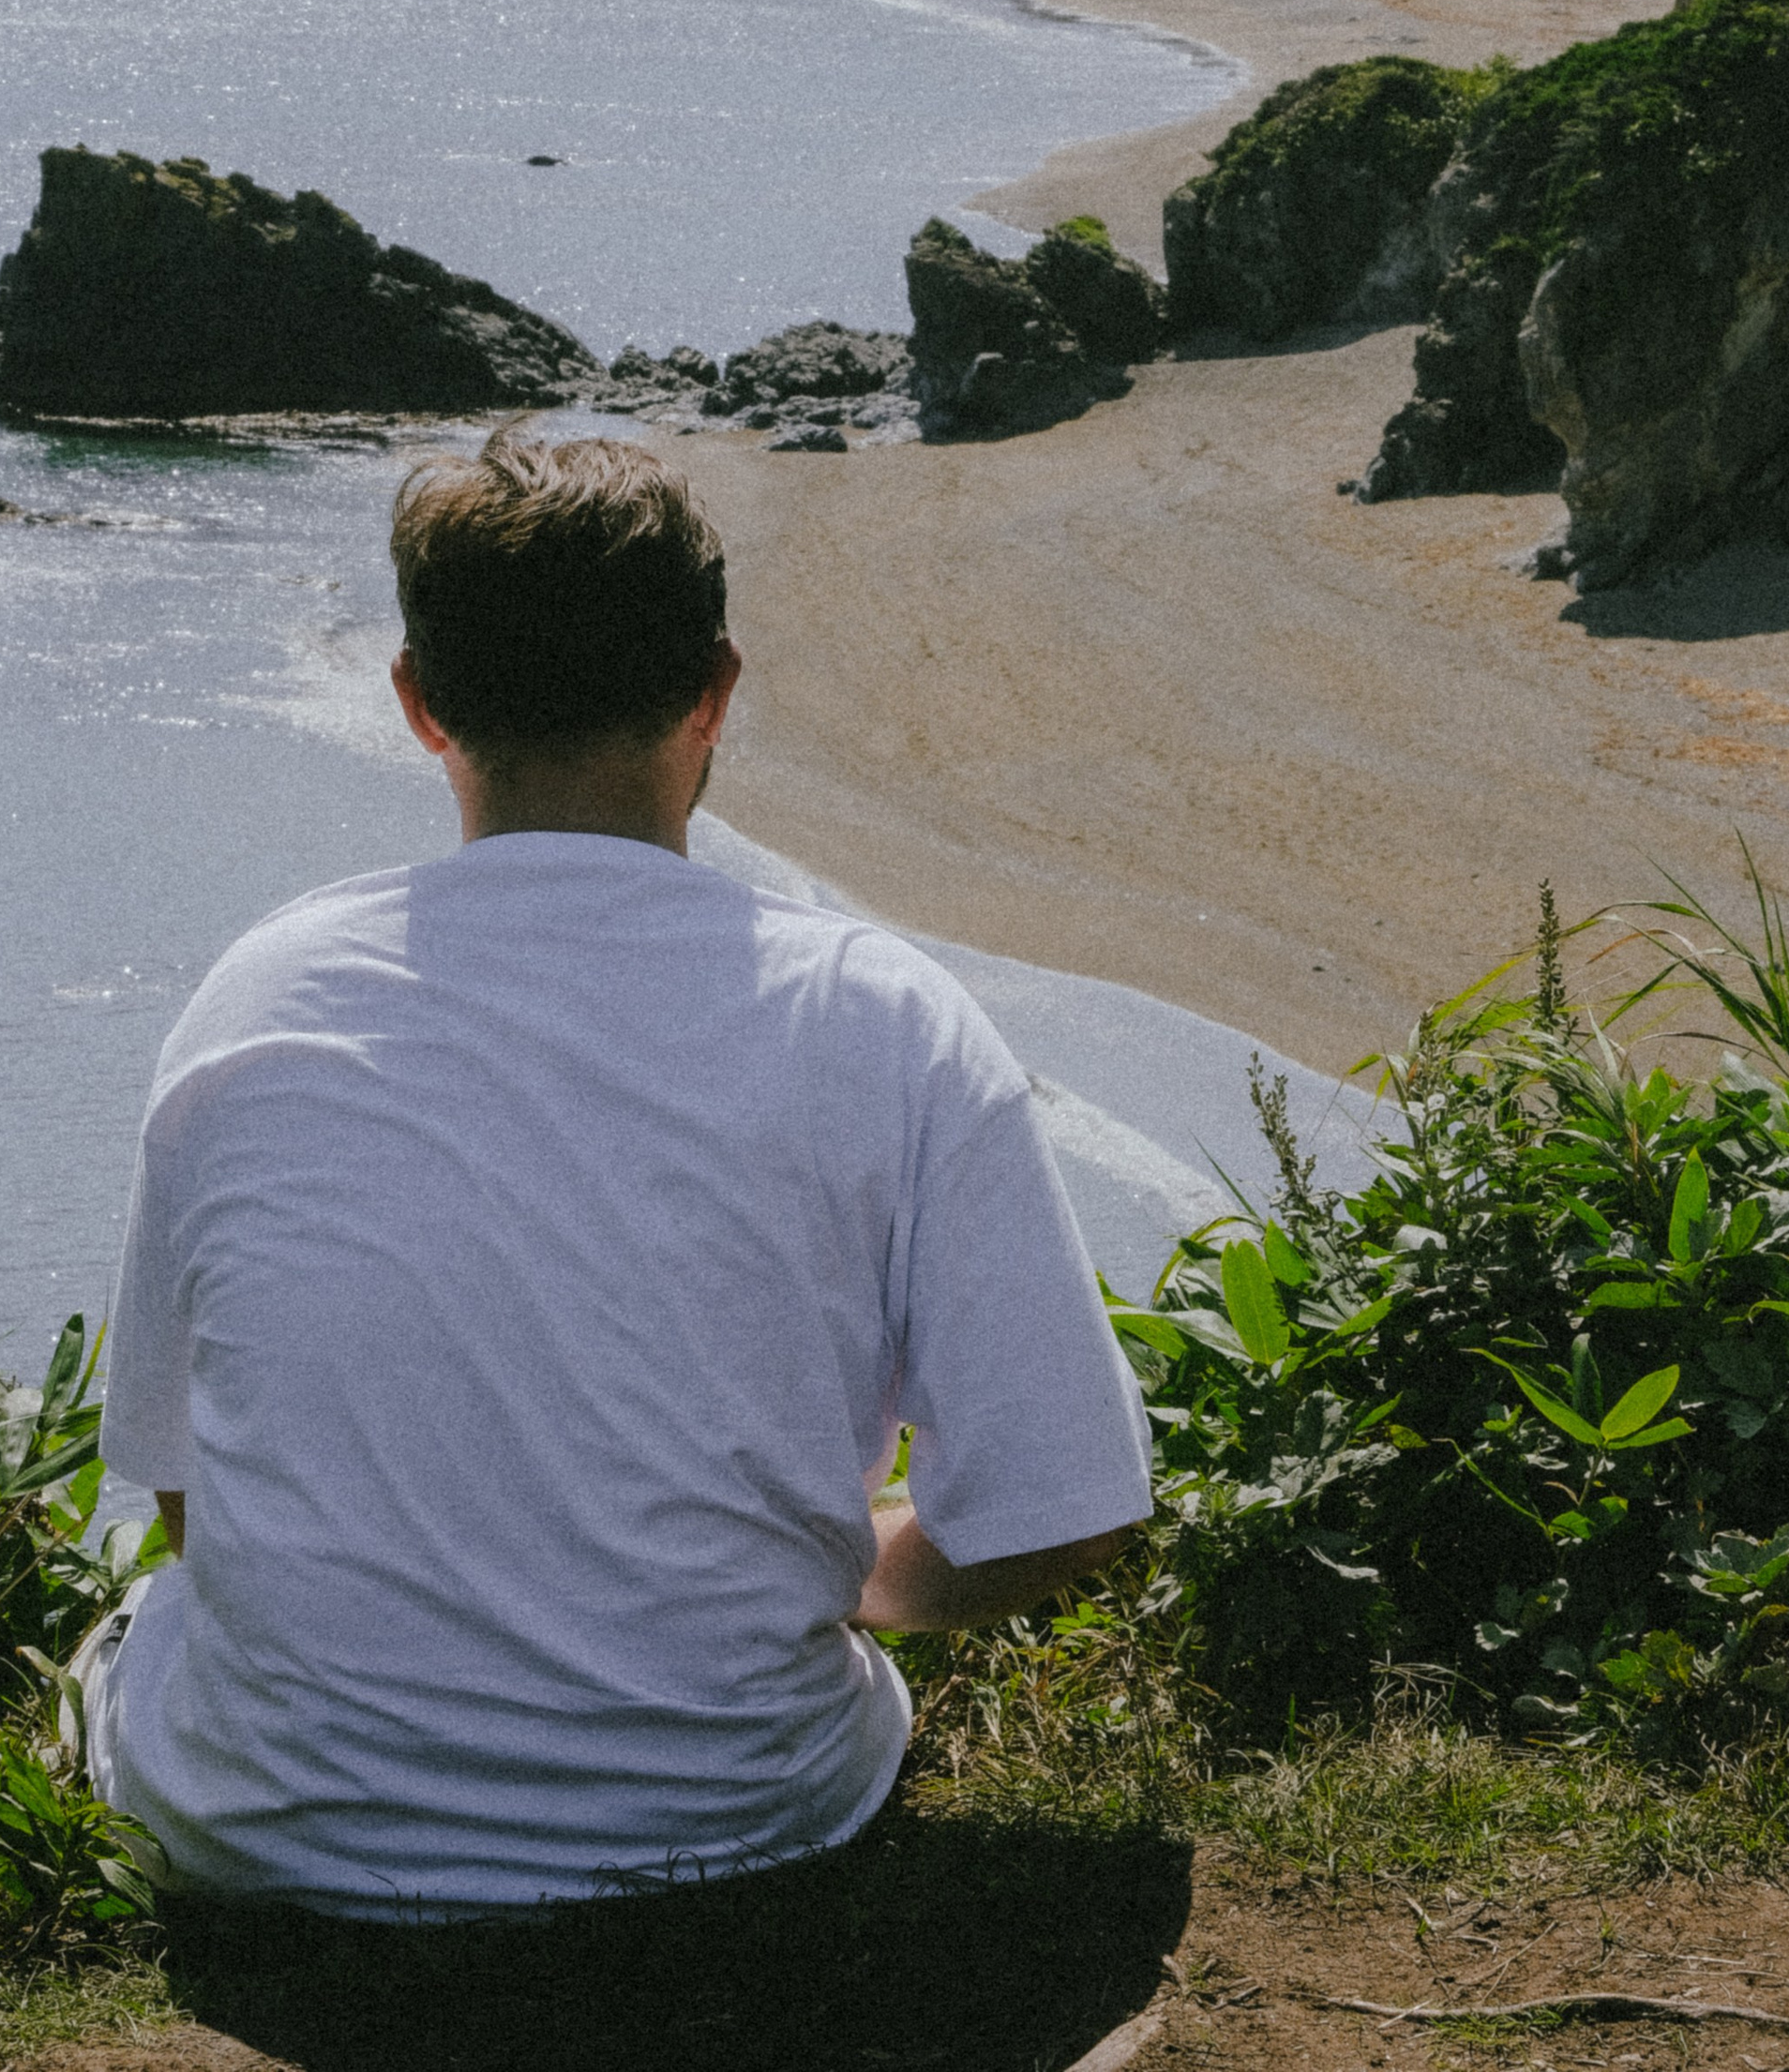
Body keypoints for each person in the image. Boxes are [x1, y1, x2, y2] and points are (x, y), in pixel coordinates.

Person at [84, 426, 1152, 1922]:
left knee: (134, 1635)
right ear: (715, 692)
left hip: (283, 1832)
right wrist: (858, 1577)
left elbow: (189, 1502)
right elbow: (1065, 1513)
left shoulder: (259, 997)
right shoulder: (882, 1019)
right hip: (743, 1816)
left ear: (417, 705)